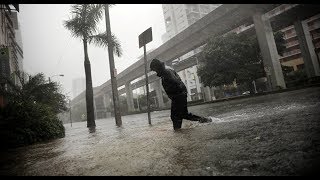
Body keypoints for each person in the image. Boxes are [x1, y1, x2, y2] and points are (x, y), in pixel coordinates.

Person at [150, 58, 212, 130]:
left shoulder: (166, 72)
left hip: (178, 95)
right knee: (183, 115)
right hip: (179, 94)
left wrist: (175, 94)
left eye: (154, 69)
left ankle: (178, 131)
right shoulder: (165, 70)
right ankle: (204, 120)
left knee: (175, 116)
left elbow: (175, 81)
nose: (155, 71)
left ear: (157, 66)